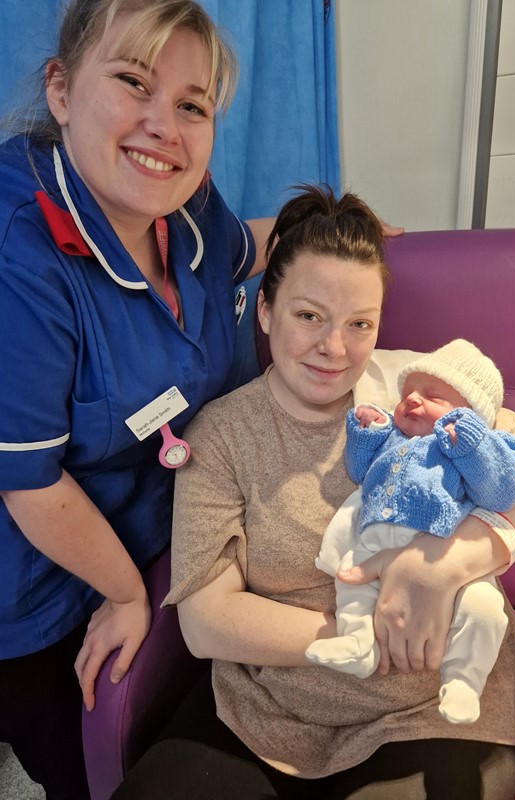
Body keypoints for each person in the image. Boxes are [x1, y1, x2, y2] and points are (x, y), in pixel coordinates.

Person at [111, 184, 515, 800]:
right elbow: (207, 621)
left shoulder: (413, 388)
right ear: (264, 312)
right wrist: (353, 639)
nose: (335, 349)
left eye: (359, 324)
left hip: (436, 701)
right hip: (275, 708)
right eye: (308, 315)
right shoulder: (224, 435)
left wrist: (441, 566)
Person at [0, 2, 279, 797]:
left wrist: (324, 235)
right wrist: (125, 592)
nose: (166, 127)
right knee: (77, 764)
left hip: (150, 542)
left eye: (192, 105)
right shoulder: (21, 252)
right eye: (133, 82)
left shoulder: (181, 206)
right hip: (30, 592)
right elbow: (26, 478)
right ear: (61, 89)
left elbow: (237, 252)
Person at [305, 339, 515, 726]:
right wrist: (367, 431)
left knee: (484, 612)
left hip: (445, 550)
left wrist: (470, 444)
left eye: (433, 396)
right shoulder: (394, 438)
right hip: (378, 538)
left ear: (472, 416)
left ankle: (463, 681)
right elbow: (359, 471)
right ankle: (358, 643)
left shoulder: (475, 450)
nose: (412, 400)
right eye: (407, 392)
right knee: (351, 576)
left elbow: (500, 491)